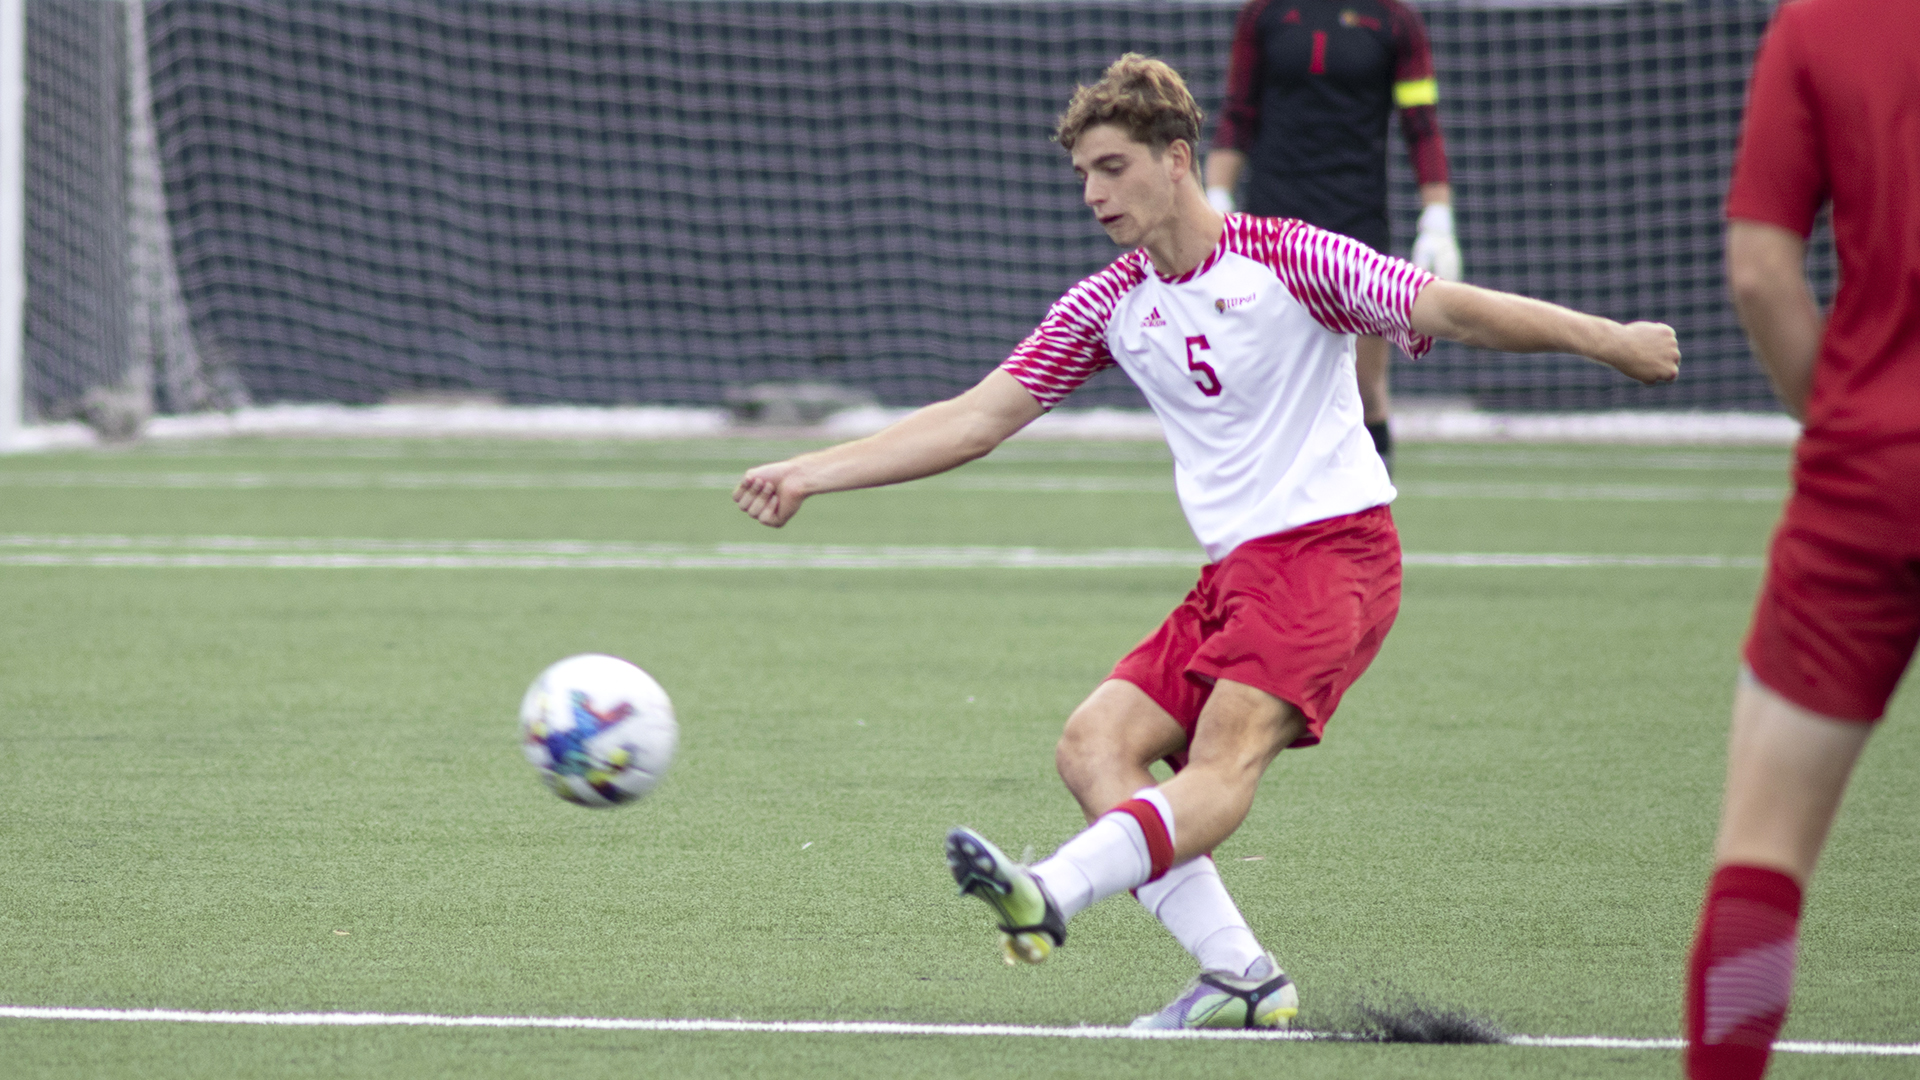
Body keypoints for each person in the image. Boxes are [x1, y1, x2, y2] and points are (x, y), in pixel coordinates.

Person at [733, 54, 1677, 1030]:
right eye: (1084, 177)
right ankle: (1242, 976)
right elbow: (976, 418)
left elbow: (1449, 307)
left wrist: (1610, 340)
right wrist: (811, 471)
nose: (1095, 194)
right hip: (1234, 577)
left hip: (1332, 556)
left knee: (1220, 764)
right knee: (1095, 744)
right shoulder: (1110, 301)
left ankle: (1050, 894)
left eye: (1112, 168)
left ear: (1176, 159)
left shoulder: (1289, 257)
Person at [1683, 2, 1919, 1077]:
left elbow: (1761, 273)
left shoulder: (1824, 20)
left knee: (1762, 863)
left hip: (1869, 481)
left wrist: (1849, 421)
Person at [1204, 0, 1461, 476]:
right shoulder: (1263, 13)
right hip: (1271, 225)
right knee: (1265, 381)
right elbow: (1239, 110)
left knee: (1364, 387)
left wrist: (1438, 216)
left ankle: (1374, 529)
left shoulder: (1395, 19)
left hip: (1356, 220)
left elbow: (1421, 123)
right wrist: (1215, 195)